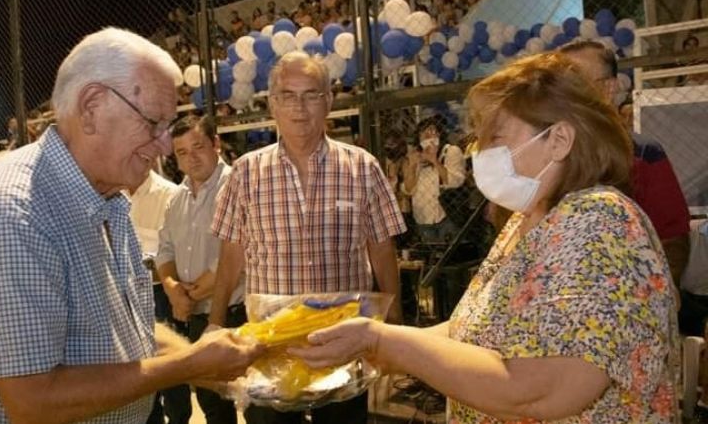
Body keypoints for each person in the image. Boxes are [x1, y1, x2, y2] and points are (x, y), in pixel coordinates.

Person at [292, 52, 679, 422]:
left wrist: (382, 341)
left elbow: (541, 389)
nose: (478, 150)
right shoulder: (528, 221)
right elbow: (471, 330)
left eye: (495, 136)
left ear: (559, 141)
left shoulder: (601, 224)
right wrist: (378, 344)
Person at [0, 27, 261, 424]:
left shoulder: (107, 196)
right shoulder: (10, 212)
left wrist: (214, 367)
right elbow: (33, 399)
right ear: (91, 107)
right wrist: (191, 364)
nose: (164, 146)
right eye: (153, 124)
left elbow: (130, 335)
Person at [208, 51, 406, 424]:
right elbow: (231, 254)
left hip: (343, 344)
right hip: (271, 347)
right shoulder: (246, 172)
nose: (299, 108)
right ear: (272, 104)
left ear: (329, 101)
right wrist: (216, 323)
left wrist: (392, 324)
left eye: (311, 95)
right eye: (287, 95)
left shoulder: (362, 167)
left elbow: (381, 247)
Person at [559, 41, 692, 288]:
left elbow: (672, 237)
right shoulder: (546, 155)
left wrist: (659, 295)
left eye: (577, 83)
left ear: (609, 88)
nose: (565, 94)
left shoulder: (643, 154)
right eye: (558, 85)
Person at [155, 115, 246, 424]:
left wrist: (192, 293)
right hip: (196, 318)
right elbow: (164, 249)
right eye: (182, 152)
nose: (191, 158)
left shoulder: (237, 185)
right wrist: (172, 289)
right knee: (212, 406)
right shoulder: (176, 199)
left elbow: (240, 251)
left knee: (259, 406)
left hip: (238, 313)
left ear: (216, 144)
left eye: (198, 147)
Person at [127, 168, 181, 424]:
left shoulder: (167, 194)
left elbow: (173, 253)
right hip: (125, 295)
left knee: (171, 371)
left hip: (159, 293)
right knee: (140, 373)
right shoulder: (109, 193)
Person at [402, 117, 466, 243]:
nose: (428, 137)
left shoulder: (450, 151)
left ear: (440, 134)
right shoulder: (416, 156)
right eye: (424, 134)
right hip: (422, 218)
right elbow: (409, 190)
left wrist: (434, 160)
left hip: (446, 215)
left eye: (432, 132)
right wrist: (412, 166)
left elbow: (455, 181)